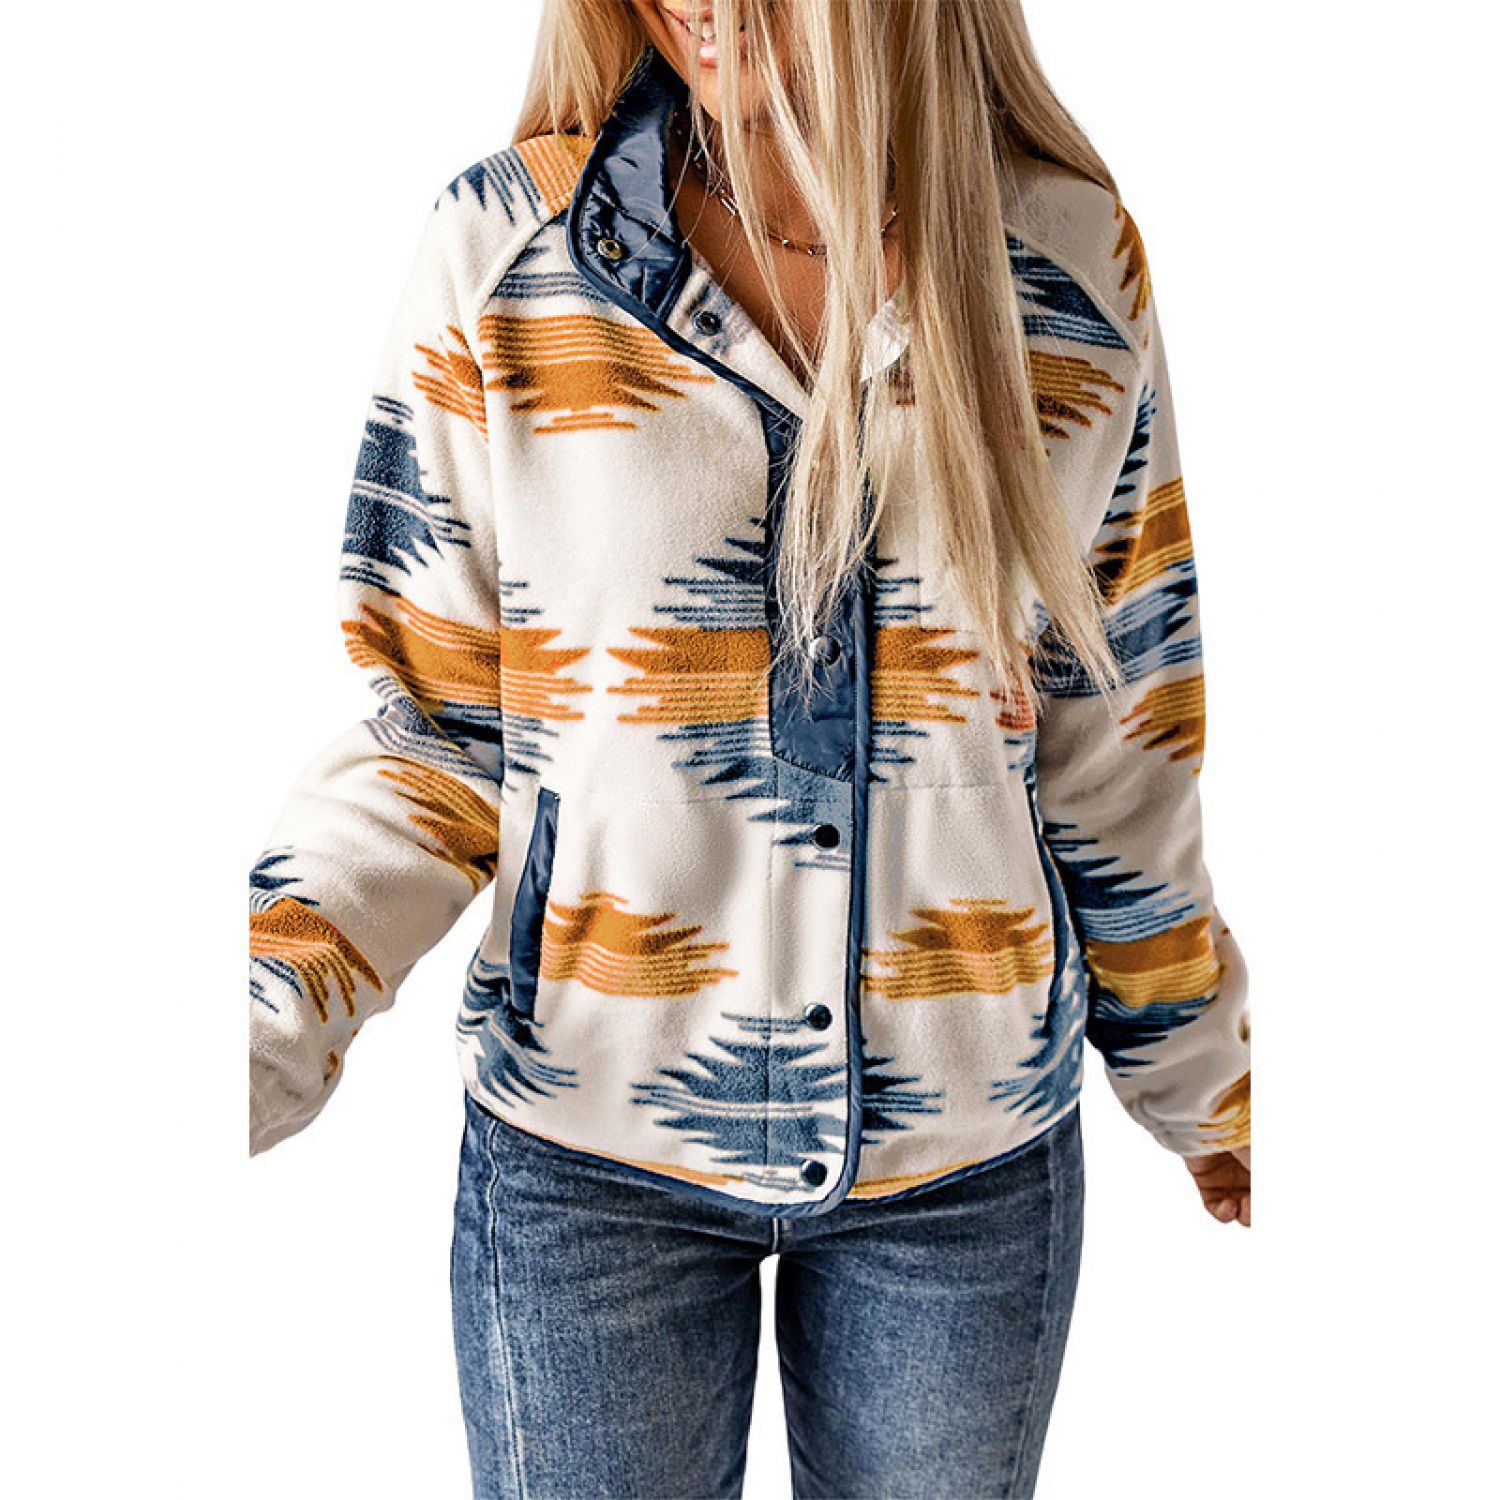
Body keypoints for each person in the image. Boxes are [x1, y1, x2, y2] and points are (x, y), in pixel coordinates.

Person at [247, 2, 1252, 1494]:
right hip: (586, 1161)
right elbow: (437, 733)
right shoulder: (505, 252)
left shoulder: (1064, 265)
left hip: (963, 1165)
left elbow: (1121, 742)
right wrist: (256, 1026)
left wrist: (1209, 1078)